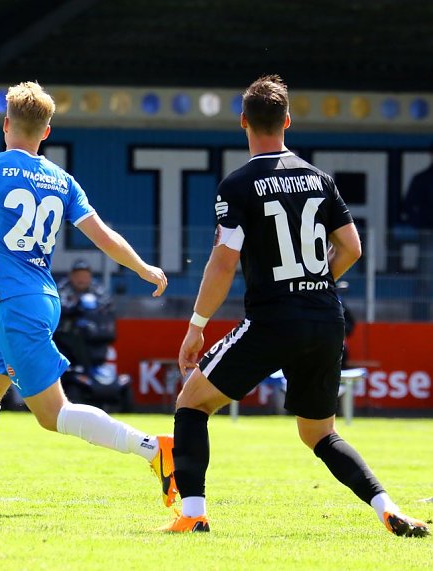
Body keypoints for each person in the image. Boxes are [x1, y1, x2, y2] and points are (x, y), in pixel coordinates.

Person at [169, 75, 428, 537]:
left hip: (273, 319)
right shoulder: (320, 178)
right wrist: (315, 281)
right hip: (327, 319)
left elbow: (223, 262)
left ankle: (192, 515)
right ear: (287, 120)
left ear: (243, 122)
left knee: (192, 404)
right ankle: (386, 507)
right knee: (319, 434)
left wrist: (196, 325)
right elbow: (351, 247)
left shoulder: (238, 185)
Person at [0, 81, 172, 514]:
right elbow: (103, 236)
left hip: (15, 303)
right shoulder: (62, 180)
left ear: (6, 125)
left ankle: (155, 449)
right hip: (42, 295)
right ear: (46, 132)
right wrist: (143, 268)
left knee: (53, 415)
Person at [55, 259, 115, 372]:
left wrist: (93, 309)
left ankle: (95, 370)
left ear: (90, 277)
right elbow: (60, 307)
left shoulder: (97, 288)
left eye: (85, 275)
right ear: (71, 276)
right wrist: (77, 306)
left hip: (91, 334)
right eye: (78, 275)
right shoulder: (62, 287)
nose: (81, 279)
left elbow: (108, 305)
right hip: (65, 334)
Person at [401, 146, 433, 320]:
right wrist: (423, 223)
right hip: (429, 235)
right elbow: (408, 207)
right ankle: (420, 320)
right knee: (425, 280)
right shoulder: (423, 179)